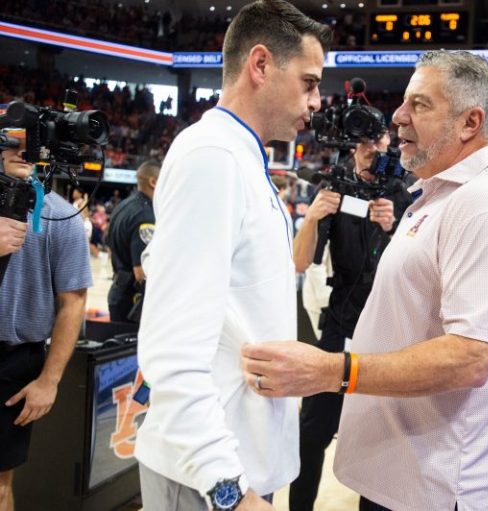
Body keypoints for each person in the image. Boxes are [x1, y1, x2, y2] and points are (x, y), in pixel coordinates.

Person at [241, 50, 488, 510]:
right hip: (405, 473)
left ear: (469, 122)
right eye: (405, 102)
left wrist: (330, 370)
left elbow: (469, 358)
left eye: (419, 105)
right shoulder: (435, 196)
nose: (397, 116)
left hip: (443, 488)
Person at [134, 2, 331, 510]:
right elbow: (173, 350)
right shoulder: (213, 159)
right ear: (260, 65)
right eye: (309, 82)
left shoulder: (236, 155)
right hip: (209, 475)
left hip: (237, 462)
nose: (317, 101)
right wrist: (228, 489)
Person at [290, 126, 411, 511]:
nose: (370, 149)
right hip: (338, 324)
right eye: (361, 141)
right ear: (351, 147)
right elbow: (298, 261)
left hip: (387, 331)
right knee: (311, 433)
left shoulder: (404, 194)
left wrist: (395, 230)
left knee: (378, 443)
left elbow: (419, 272)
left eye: (377, 140)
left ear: (389, 143)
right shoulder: (334, 186)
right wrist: (312, 218)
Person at [0, 129, 91, 511]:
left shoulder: (60, 215)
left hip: (13, 362)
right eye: (11, 144)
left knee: (0, 483)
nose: (22, 153)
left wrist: (49, 381)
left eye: (31, 146)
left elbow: (73, 304)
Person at [104, 160, 161, 323]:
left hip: (118, 291)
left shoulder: (124, 206)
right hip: (133, 303)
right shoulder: (146, 215)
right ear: (153, 182)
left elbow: (109, 246)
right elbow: (141, 272)